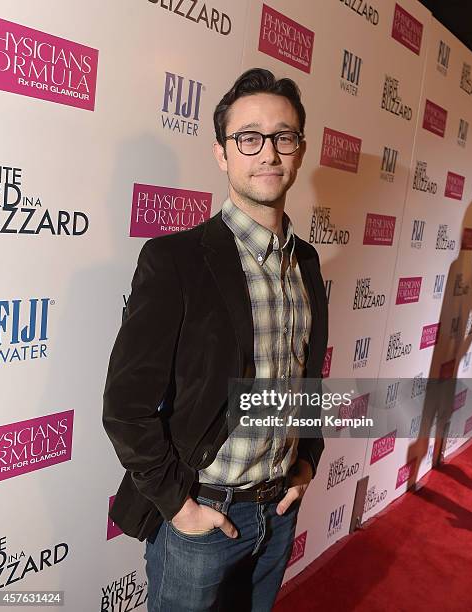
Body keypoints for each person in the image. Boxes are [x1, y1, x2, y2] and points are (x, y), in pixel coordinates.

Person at [103, 67, 328, 612]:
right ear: (222, 153)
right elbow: (126, 408)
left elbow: (307, 375)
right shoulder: (175, 261)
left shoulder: (307, 261)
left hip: (278, 513)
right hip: (202, 517)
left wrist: (308, 461)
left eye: (283, 136)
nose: (268, 152)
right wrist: (180, 508)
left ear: (299, 150)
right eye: (248, 138)